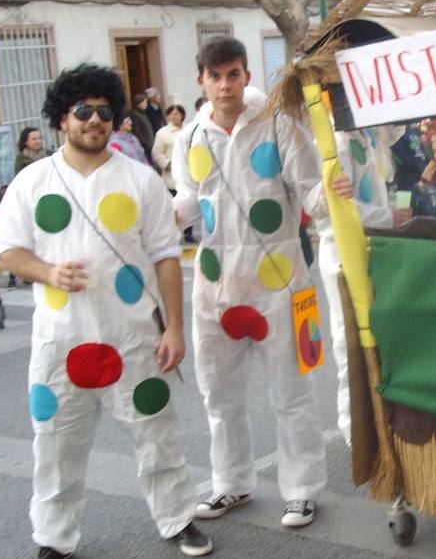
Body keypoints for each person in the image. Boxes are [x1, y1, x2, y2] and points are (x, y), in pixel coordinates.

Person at [0, 63, 212, 559]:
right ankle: (53, 539)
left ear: (116, 119)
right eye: (83, 110)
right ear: (61, 118)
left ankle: (178, 519)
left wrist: (174, 329)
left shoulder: (140, 181)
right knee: (55, 445)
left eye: (105, 111)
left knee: (157, 436)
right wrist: (47, 270)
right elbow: (6, 250)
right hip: (58, 344)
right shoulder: (32, 181)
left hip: (133, 336)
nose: (95, 119)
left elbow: (165, 257)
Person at [172, 37, 339, 528]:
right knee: (218, 394)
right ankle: (231, 484)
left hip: (282, 280)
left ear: (247, 75)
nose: (225, 85)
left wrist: (338, 198)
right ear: (201, 80)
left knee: (292, 392)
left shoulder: (279, 124)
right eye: (215, 76)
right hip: (214, 284)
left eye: (234, 74)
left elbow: (309, 192)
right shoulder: (189, 138)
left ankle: (303, 489)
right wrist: (147, 220)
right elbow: (186, 198)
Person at [317, 128, 410, 444]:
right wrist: (388, 216)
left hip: (376, 250)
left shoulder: (375, 137)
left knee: (381, 337)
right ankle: (354, 429)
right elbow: (334, 210)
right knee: (349, 339)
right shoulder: (337, 143)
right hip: (343, 253)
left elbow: (397, 125)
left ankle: (381, 419)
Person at [153, 105, 186, 193]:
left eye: (176, 114)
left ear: (182, 115)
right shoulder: (162, 133)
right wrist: (168, 165)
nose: (173, 117)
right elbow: (157, 153)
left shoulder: (188, 130)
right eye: (170, 114)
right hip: (172, 177)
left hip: (189, 174)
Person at [128, 93, 156, 163]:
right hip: (145, 147)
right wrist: (146, 144)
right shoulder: (135, 114)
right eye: (144, 102)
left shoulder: (143, 113)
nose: (146, 104)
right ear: (139, 103)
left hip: (150, 146)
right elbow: (137, 132)